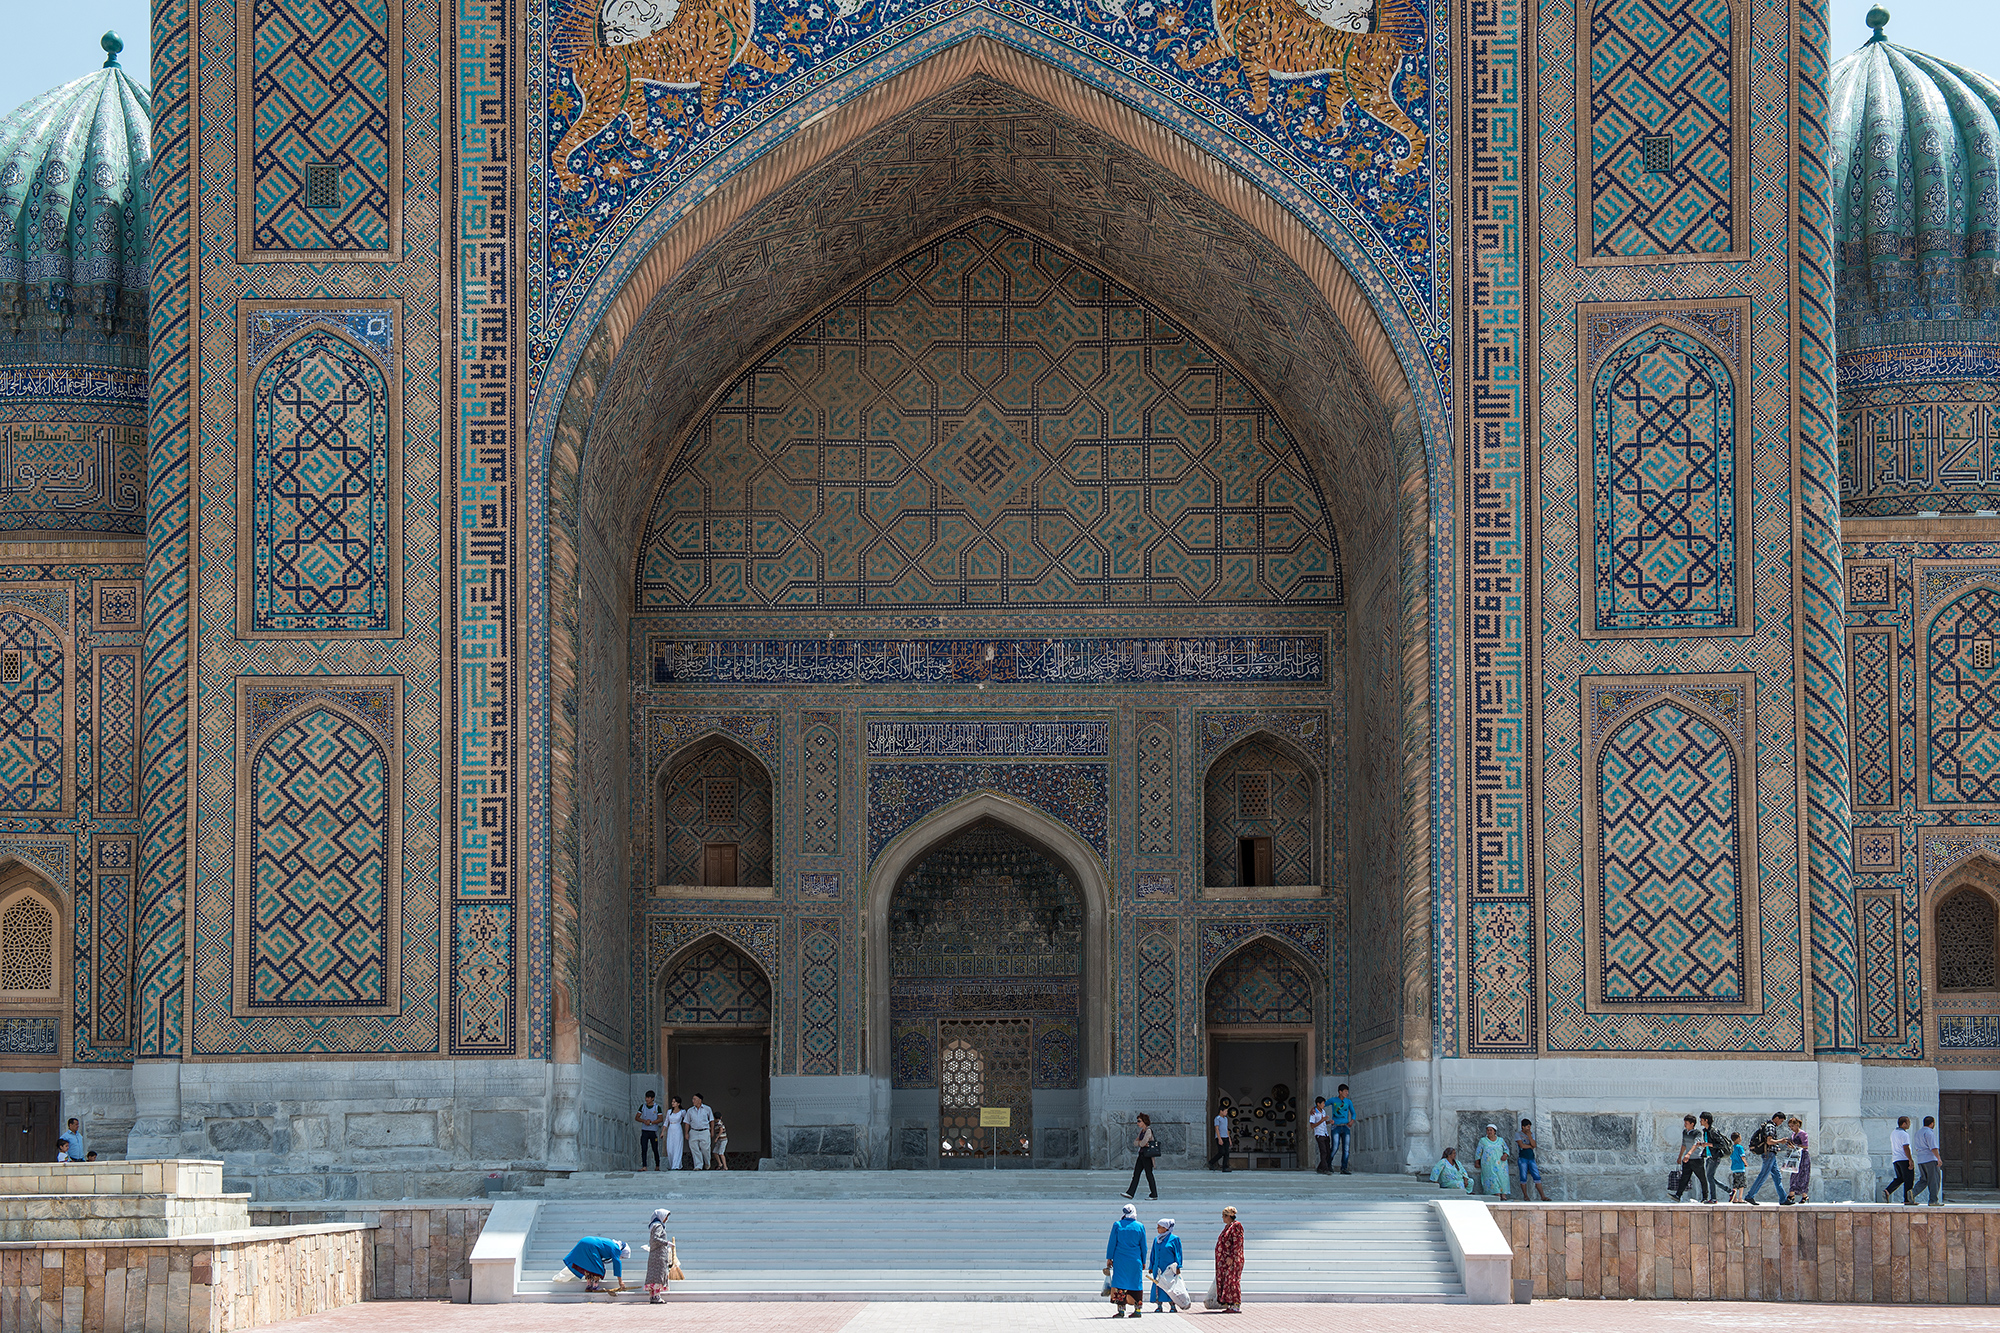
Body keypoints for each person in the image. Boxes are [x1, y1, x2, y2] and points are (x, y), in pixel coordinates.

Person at [1104, 1201, 1148, 1317]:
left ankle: (1121, 1310)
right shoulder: (1140, 1226)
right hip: (1135, 1261)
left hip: (1120, 1261)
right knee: (1136, 1283)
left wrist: (1109, 1258)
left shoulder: (1117, 1225)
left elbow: (1112, 1243)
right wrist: (1143, 1261)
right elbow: (1144, 1246)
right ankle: (1137, 1310)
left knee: (1120, 1284)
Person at [1745, 1111, 1788, 1204]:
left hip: (1771, 1154)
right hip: (1769, 1154)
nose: (1780, 1123)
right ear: (1776, 1118)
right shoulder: (1770, 1126)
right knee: (1763, 1175)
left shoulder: (1768, 1126)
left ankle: (1783, 1199)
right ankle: (1749, 1196)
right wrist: (1780, 1141)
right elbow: (1769, 1141)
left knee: (1777, 1176)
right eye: (1781, 1121)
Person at [562, 1236, 629, 1292]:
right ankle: (595, 1286)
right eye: (622, 1256)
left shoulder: (611, 1244)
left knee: (588, 1265)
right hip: (591, 1245)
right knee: (598, 1267)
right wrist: (620, 1282)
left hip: (584, 1241)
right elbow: (617, 1264)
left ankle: (589, 1286)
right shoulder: (616, 1248)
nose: (621, 1257)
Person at [1670, 1114, 1710, 1203]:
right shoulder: (1685, 1132)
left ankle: (1705, 1197)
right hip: (1687, 1159)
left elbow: (1696, 1144)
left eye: (1687, 1123)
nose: (1685, 1125)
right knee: (1684, 1177)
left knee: (1702, 1178)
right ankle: (1678, 1195)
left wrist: (1689, 1153)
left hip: (1696, 1159)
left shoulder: (1697, 1133)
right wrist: (1680, 1156)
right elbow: (1684, 1144)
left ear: (1692, 1124)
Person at [1147, 1218, 1183, 1314]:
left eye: (1159, 1227)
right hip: (1158, 1268)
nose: (1157, 1229)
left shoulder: (1174, 1239)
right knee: (1158, 1286)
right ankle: (1159, 1306)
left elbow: (1178, 1253)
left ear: (1165, 1228)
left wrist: (1178, 1266)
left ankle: (1172, 1306)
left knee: (1170, 1287)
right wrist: (1151, 1266)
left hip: (1169, 1269)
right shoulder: (1157, 1239)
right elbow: (1153, 1253)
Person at [1212, 1205, 1244, 1313]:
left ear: (1228, 1216)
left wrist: (1232, 1257)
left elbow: (1237, 1242)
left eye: (1223, 1216)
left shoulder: (1236, 1226)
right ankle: (1229, 1304)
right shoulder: (1228, 1227)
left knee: (1233, 1281)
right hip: (1225, 1261)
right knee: (1227, 1282)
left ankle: (1236, 1304)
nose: (1222, 1218)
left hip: (1233, 1260)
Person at [1123, 1112, 1160, 1201]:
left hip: (1147, 1156)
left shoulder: (1148, 1131)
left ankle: (1154, 1194)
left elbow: (1143, 1142)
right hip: (1141, 1155)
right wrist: (1140, 1143)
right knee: (1136, 1174)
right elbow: (1136, 1143)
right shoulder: (1141, 1131)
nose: (1138, 1123)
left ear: (1144, 1122)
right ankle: (1130, 1193)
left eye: (1139, 1121)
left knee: (1149, 1175)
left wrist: (1140, 1143)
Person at [644, 1208, 674, 1304]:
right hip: (659, 1255)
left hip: (654, 1254)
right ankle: (657, 1296)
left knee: (654, 1275)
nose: (666, 1219)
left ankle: (652, 1296)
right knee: (658, 1275)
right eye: (665, 1217)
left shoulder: (654, 1226)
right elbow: (655, 1238)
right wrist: (667, 1243)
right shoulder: (659, 1226)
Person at [1515, 1118, 1549, 1201]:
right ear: (1523, 1127)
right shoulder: (1518, 1134)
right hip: (1522, 1158)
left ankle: (1543, 1196)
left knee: (1537, 1176)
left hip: (1531, 1158)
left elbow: (1534, 1145)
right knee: (1523, 1177)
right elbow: (1522, 1146)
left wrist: (1529, 1136)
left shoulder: (1531, 1134)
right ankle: (1525, 1196)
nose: (1529, 1128)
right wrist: (1530, 1146)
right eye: (1527, 1127)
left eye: (1529, 1127)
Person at [1886, 1115, 1916, 1205]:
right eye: (1908, 1122)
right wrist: (1910, 1159)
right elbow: (1906, 1147)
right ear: (1904, 1124)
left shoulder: (1893, 1133)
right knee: (1909, 1179)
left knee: (1900, 1178)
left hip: (1896, 1159)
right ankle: (1907, 1199)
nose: (1909, 1124)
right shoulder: (1904, 1134)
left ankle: (1887, 1190)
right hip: (1903, 1158)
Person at [1473, 1124, 1510, 1197]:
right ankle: (1497, 1193)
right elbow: (1478, 1152)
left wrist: (1505, 1155)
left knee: (1502, 1178)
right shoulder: (1483, 1140)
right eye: (1488, 1130)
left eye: (1491, 1130)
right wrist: (1477, 1162)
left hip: (1500, 1164)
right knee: (1492, 1178)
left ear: (1494, 1131)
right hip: (1488, 1164)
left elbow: (1506, 1149)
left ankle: (1503, 1195)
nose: (1489, 1132)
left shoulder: (1500, 1140)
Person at [1699, 1112, 1728, 1204]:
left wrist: (1709, 1144)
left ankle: (1714, 1199)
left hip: (1715, 1157)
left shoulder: (1713, 1131)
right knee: (1710, 1178)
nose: (1700, 1121)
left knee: (1710, 1177)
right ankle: (1729, 1191)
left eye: (1702, 1120)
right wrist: (1702, 1145)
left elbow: (1721, 1144)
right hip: (1709, 1157)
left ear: (1706, 1120)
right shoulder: (1705, 1131)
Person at [1916, 1114, 1943, 1206]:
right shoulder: (1929, 1133)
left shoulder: (1918, 1133)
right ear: (1932, 1124)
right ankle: (1933, 1200)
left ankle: (1912, 1193)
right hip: (1930, 1159)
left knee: (1924, 1180)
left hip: (1920, 1159)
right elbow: (1933, 1148)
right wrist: (1938, 1158)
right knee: (1934, 1180)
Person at [1783, 1116, 1812, 1204]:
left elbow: (1805, 1145)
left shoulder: (1803, 1134)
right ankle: (1792, 1193)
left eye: (1792, 1126)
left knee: (1803, 1175)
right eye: (1790, 1126)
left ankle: (1804, 1195)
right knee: (1794, 1174)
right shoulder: (1793, 1134)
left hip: (1803, 1156)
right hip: (1796, 1156)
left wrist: (1795, 1146)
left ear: (1797, 1125)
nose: (1791, 1128)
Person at [635, 1091, 664, 1171]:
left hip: (653, 1131)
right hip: (645, 1131)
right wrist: (644, 1121)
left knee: (655, 1148)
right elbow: (637, 1117)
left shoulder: (657, 1107)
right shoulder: (643, 1107)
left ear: (653, 1098)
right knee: (644, 1148)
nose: (647, 1099)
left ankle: (657, 1165)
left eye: (648, 1098)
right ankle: (644, 1166)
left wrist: (651, 1122)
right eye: (646, 1097)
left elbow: (660, 1119)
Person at [1329, 1084, 1355, 1174]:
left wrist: (1352, 1121)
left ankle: (1344, 1168)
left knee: (1346, 1148)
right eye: (1345, 1091)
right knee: (1335, 1147)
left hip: (1345, 1126)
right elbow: (1322, 1105)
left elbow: (1353, 1113)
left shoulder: (1348, 1101)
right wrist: (1314, 1109)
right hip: (1335, 1126)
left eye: (1347, 1091)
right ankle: (1328, 1164)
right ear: (1340, 1092)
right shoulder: (1333, 1100)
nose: (1347, 1093)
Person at [685, 1093, 714, 1170]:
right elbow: (687, 1122)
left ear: (700, 1100)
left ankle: (707, 1162)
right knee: (694, 1149)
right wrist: (686, 1133)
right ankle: (698, 1165)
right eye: (693, 1099)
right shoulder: (690, 1110)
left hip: (704, 1131)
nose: (693, 1101)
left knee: (705, 1148)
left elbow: (711, 1120)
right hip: (693, 1131)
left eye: (695, 1099)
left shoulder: (707, 1109)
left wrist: (712, 1131)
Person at [1308, 1098, 1333, 1175]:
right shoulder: (1314, 1113)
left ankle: (1320, 1167)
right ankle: (1325, 1169)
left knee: (1328, 1152)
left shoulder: (1323, 1111)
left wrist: (1328, 1122)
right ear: (1318, 1104)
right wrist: (1321, 1121)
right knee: (1323, 1151)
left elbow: (1324, 1123)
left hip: (1325, 1133)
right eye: (1323, 1103)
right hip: (1319, 1134)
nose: (1324, 1105)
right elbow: (1312, 1126)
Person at [1208, 1102, 1232, 1172]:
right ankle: (1211, 1162)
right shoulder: (1217, 1118)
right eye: (1225, 1111)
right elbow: (1216, 1128)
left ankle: (1225, 1167)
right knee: (1222, 1152)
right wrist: (1219, 1138)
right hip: (1220, 1137)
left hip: (1226, 1137)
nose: (1226, 1113)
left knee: (1227, 1152)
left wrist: (1229, 1139)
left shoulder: (1225, 1119)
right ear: (1221, 1111)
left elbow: (1226, 1129)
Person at [664, 1096, 687, 1171]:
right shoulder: (669, 1111)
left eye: (674, 1102)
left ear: (678, 1103)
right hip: (671, 1129)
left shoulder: (682, 1112)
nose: (672, 1103)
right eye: (672, 1102)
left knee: (677, 1147)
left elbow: (686, 1121)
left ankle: (676, 1165)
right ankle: (672, 1165)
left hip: (677, 1128)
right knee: (670, 1148)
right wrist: (662, 1132)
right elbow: (666, 1122)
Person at [1727, 1132, 1747, 1204]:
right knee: (1741, 1184)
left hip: (1734, 1168)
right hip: (1740, 1167)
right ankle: (1740, 1198)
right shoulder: (1740, 1147)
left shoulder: (1732, 1148)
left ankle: (1734, 1198)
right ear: (1738, 1138)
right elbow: (1742, 1156)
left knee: (1735, 1183)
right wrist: (1745, 1163)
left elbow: (1731, 1157)